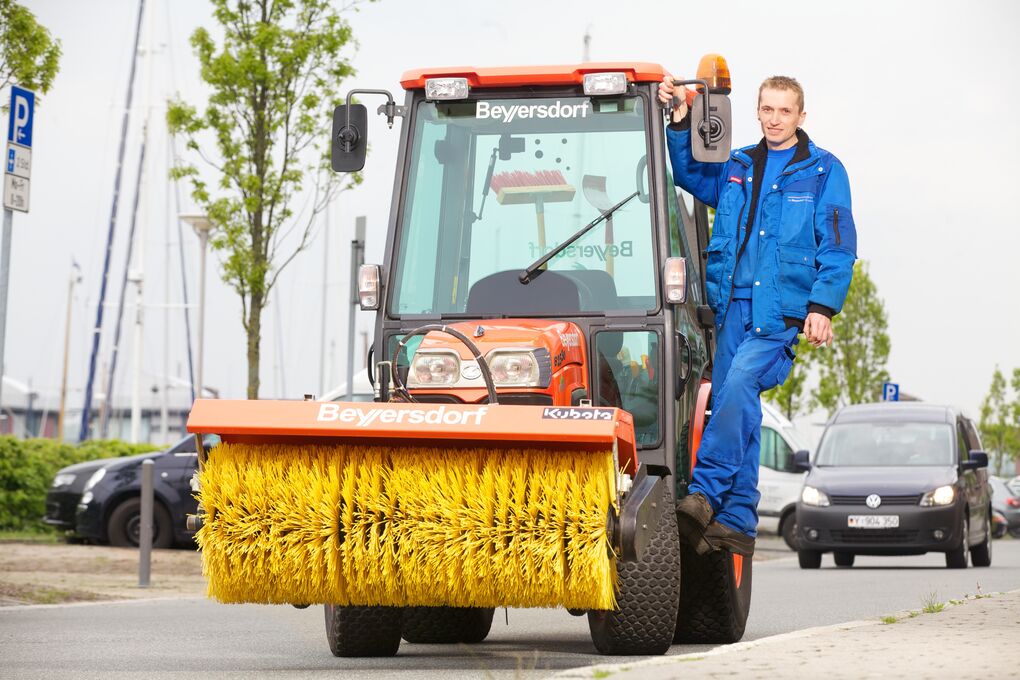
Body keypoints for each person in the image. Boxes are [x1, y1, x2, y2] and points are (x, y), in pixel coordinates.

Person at [659, 74, 857, 556]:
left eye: (784, 111)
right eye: (767, 109)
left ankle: (705, 494)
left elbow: (838, 246)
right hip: (731, 306)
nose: (774, 119)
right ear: (758, 111)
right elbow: (688, 175)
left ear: (801, 116)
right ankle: (739, 521)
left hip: (780, 312)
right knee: (731, 401)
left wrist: (822, 307)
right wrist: (680, 120)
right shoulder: (738, 165)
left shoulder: (823, 171)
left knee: (742, 384)